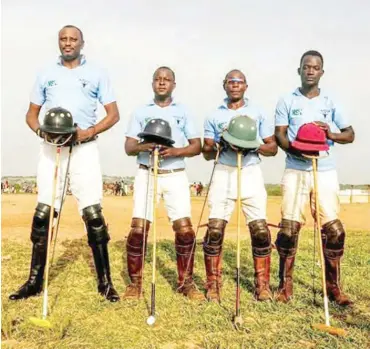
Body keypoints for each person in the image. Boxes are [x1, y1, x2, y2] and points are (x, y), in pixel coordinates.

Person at [9, 25, 120, 302]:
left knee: (93, 216)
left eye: (73, 39)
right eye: (63, 39)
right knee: (43, 214)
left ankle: (105, 283)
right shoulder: (46, 73)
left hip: (84, 148)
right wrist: (40, 132)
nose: (68, 43)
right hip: (51, 149)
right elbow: (31, 114)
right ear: (58, 42)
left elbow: (113, 114)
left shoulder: (97, 73)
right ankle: (34, 281)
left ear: (82, 43)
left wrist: (89, 131)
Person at [274, 50, 355, 305]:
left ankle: (334, 287)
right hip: (296, 168)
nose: (310, 70)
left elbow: (350, 134)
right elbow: (280, 135)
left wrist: (330, 135)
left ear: (322, 72)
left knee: (333, 230)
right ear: (299, 70)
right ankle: (284, 287)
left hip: (325, 169)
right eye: (306, 66)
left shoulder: (331, 102)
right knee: (288, 229)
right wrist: (296, 149)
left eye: (315, 67)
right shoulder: (287, 100)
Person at [123, 66, 204, 300]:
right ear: (152, 84)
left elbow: (196, 146)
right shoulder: (140, 112)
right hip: (147, 172)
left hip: (175, 174)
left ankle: (186, 282)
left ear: (173, 85)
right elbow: (129, 147)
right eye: (158, 79)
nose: (162, 83)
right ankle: (135, 284)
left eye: (166, 79)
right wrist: (145, 146)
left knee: (185, 230)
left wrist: (176, 151)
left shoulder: (184, 111)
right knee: (139, 230)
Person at [202, 69, 277, 302]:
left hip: (251, 170)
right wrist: (220, 144)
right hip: (223, 171)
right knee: (214, 229)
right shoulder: (213, 115)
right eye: (230, 82)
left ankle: (262, 285)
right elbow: (206, 152)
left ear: (246, 86)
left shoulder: (258, 113)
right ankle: (213, 285)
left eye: (239, 82)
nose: (235, 85)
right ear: (224, 85)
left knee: (260, 230)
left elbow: (272, 148)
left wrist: (251, 146)